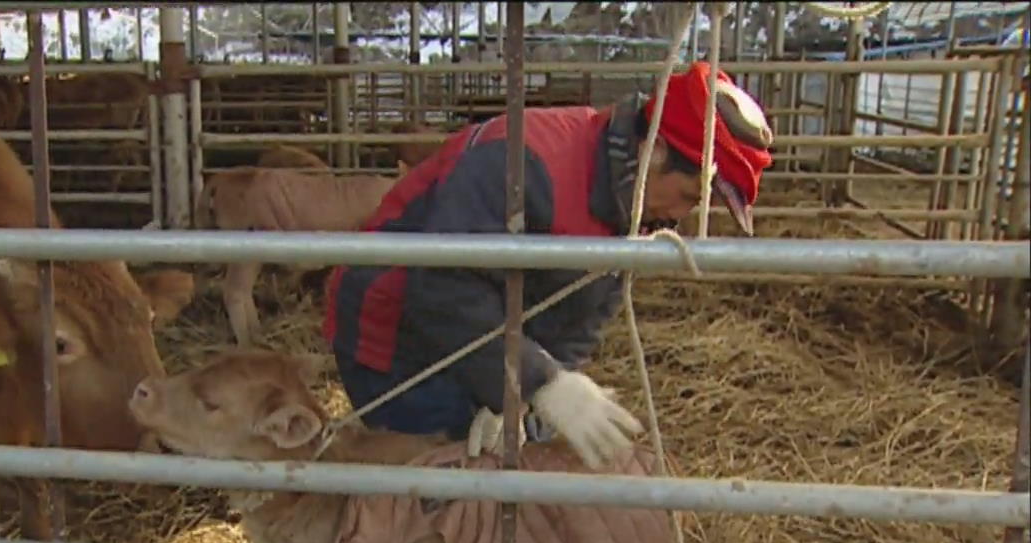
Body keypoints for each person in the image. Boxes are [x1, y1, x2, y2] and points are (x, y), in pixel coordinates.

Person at [321, 61, 774, 468]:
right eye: (689, 196)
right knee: (435, 494)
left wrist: (521, 394)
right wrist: (536, 382)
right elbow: (442, 285)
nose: (682, 215)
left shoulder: (629, 204)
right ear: (653, 152)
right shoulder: (525, 164)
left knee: (501, 473)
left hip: (484, 336)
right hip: (396, 335)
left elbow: (582, 313)